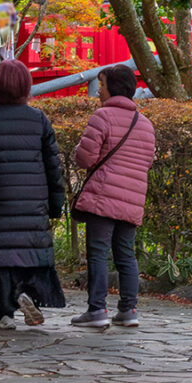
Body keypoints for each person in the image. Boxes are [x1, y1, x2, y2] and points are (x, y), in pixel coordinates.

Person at [0, 60, 66, 327]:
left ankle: (1, 313)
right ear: (26, 86)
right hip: (32, 206)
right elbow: (54, 168)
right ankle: (26, 293)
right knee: (28, 255)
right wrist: (56, 205)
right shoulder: (39, 120)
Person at [70, 63, 156, 329]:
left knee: (97, 253)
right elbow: (147, 161)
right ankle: (129, 310)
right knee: (126, 255)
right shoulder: (145, 124)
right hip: (131, 197)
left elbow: (85, 159)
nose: (99, 91)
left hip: (103, 196)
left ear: (113, 88)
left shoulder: (102, 117)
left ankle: (97, 310)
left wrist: (76, 150)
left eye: (102, 85)